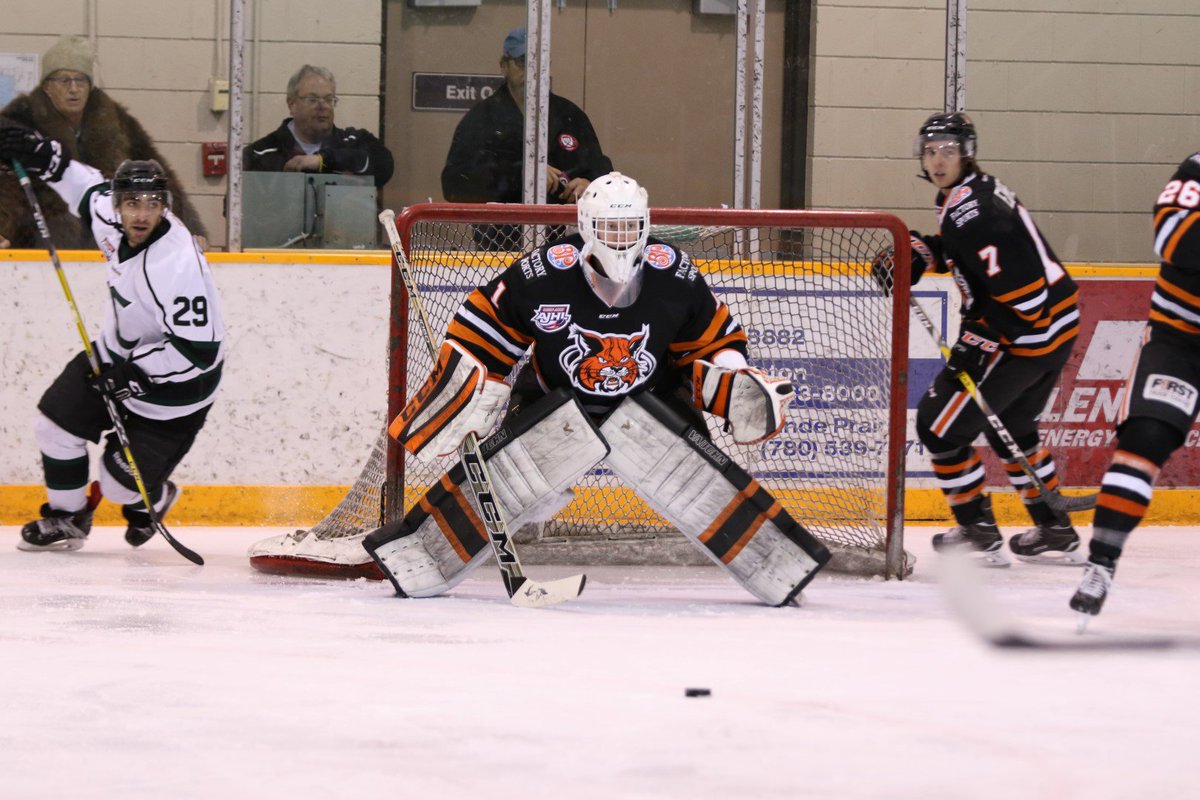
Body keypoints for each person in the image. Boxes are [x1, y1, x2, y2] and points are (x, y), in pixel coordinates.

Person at [361, 172, 829, 605]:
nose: (621, 239)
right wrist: (471, 385)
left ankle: (779, 568)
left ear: (646, 225)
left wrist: (732, 375)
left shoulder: (674, 273)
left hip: (656, 400)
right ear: (585, 224)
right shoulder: (542, 272)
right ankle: (416, 559)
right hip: (554, 399)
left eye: (630, 228)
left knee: (704, 482)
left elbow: (712, 339)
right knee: (508, 482)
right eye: (610, 227)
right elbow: (484, 327)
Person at [0, 127, 225, 552]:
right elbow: (82, 185)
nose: (141, 214)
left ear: (165, 207)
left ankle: (152, 499)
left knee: (120, 487)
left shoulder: (177, 265)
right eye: (132, 203)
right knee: (52, 427)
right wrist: (46, 157)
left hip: (177, 389)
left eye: (153, 204)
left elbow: (199, 350)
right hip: (115, 352)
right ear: (118, 205)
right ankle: (67, 519)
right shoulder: (108, 212)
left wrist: (136, 374)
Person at [880, 112, 1082, 567]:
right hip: (1055, 324)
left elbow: (1025, 298)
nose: (938, 160)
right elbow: (969, 255)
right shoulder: (970, 194)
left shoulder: (976, 212)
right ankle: (1056, 529)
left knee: (938, 424)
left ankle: (979, 531)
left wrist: (978, 343)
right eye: (931, 151)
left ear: (967, 153)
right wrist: (926, 253)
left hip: (1028, 333)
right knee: (1011, 423)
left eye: (949, 151)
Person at [1069, 152, 1200, 622]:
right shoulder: (1197, 168)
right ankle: (1100, 565)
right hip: (1181, 340)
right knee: (1143, 441)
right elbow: (1170, 237)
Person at [0, 35, 207, 250]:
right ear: (47, 86)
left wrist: (190, 229)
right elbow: (4, 183)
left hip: (105, 242)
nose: (73, 88)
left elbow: (159, 176)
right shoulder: (19, 120)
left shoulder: (116, 121)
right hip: (39, 241)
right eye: (63, 80)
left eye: (81, 80)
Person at [441, 28, 613, 249]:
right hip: (501, 251)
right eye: (523, 62)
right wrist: (520, 173)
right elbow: (455, 185)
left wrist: (591, 186)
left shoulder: (570, 116)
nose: (532, 71)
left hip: (566, 251)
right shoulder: (481, 120)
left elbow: (602, 171)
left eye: (539, 63)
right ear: (504, 65)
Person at [243, 65, 394, 188]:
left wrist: (322, 160)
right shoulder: (259, 154)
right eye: (312, 99)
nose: (323, 107)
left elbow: (384, 166)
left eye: (329, 99)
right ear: (292, 104)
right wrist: (283, 184)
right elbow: (235, 208)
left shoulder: (353, 141)